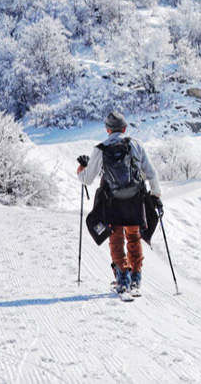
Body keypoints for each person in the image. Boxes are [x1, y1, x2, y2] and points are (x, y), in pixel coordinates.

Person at [77, 111, 163, 295]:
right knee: (134, 237)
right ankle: (136, 277)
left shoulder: (101, 149)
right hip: (134, 200)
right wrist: (156, 195)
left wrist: (81, 169)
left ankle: (122, 276)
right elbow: (151, 173)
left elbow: (87, 179)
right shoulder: (136, 145)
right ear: (124, 128)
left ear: (108, 130)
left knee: (116, 239)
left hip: (112, 202)